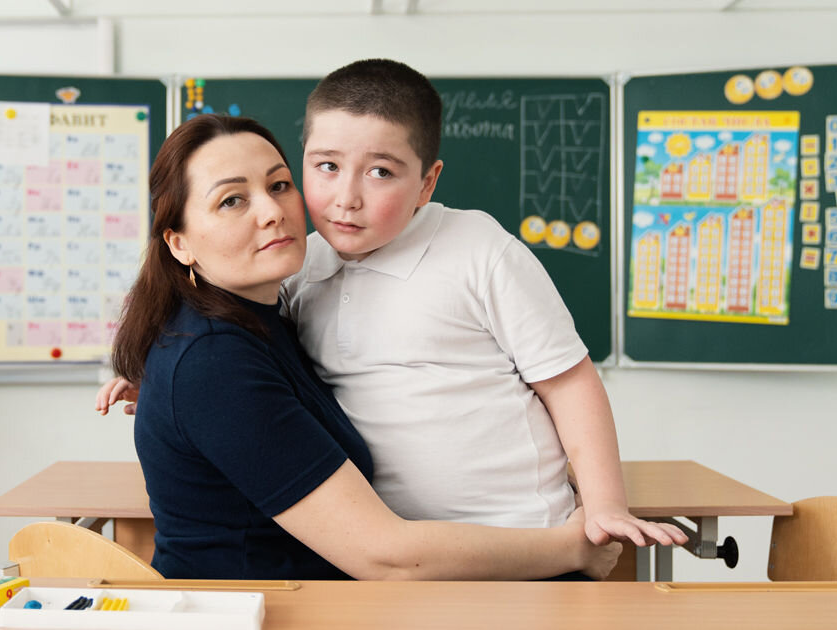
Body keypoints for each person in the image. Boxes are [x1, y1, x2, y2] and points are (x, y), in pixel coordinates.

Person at [97, 113, 622, 581]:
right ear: (178, 242)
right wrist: (575, 548)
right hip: (257, 613)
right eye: (231, 200)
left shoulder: (264, 315)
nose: (272, 211)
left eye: (279, 185)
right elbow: (386, 557)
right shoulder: (212, 362)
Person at [281, 58, 685, 549]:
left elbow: (570, 383)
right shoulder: (299, 268)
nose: (346, 197)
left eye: (381, 172)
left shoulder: (479, 250)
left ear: (427, 184)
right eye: (327, 166)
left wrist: (605, 504)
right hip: (395, 550)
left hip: (521, 535)